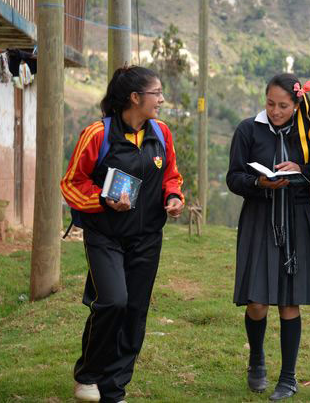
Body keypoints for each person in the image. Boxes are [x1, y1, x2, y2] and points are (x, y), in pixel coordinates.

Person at [60, 66, 184, 403]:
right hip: (105, 237)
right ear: (134, 97)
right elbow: (72, 183)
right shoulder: (97, 134)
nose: (161, 99)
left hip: (147, 239)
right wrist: (103, 199)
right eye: (156, 93)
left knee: (134, 313)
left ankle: (114, 390)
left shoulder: (161, 133)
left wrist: (173, 197)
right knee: (113, 302)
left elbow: (171, 175)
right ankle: (88, 376)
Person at [227, 73, 310, 401]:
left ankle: (288, 378)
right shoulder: (248, 129)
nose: (275, 111)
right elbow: (234, 177)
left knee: (289, 301)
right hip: (260, 218)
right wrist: (259, 183)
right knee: (257, 301)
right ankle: (256, 359)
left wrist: (299, 170)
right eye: (270, 104)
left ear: (297, 103)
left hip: (297, 219)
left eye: (283, 105)